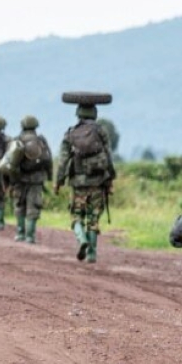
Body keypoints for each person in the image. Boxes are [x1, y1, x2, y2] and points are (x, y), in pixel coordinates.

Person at [55, 103, 116, 262]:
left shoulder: (71, 133)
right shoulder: (101, 131)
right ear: (94, 113)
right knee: (94, 218)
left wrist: (58, 181)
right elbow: (109, 157)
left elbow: (62, 161)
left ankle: (82, 240)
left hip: (77, 184)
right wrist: (111, 179)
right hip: (98, 182)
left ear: (78, 114)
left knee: (76, 216)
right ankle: (91, 254)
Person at [10, 115, 52, 244]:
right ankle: (30, 236)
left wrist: (10, 181)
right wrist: (49, 176)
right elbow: (48, 161)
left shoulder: (17, 141)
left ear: (22, 126)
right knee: (33, 206)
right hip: (36, 180)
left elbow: (9, 162)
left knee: (19, 205)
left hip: (19, 179)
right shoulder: (41, 141)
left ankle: (20, 233)